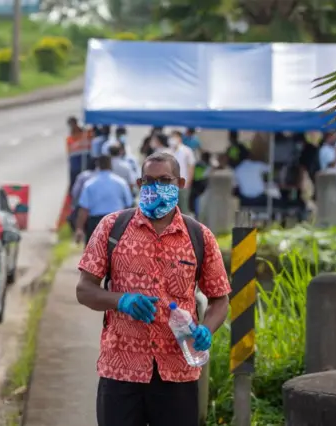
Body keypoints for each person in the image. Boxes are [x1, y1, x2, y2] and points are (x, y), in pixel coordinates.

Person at [76, 152, 230, 426]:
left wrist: (207, 328)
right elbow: (84, 290)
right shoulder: (112, 228)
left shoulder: (200, 236)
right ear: (138, 183)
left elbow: (220, 299)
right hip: (121, 370)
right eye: (148, 181)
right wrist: (120, 300)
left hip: (177, 371)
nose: (155, 187)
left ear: (180, 183)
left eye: (164, 180)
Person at [75, 155, 133, 245]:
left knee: (94, 254)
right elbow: (129, 205)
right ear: (110, 165)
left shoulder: (90, 184)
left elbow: (84, 209)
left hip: (96, 224)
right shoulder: (121, 182)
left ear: (98, 166)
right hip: (116, 223)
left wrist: (79, 228)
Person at [169, 130, 196, 214]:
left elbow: (191, 166)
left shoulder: (187, 151)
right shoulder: (168, 151)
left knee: (184, 208)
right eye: (172, 137)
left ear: (180, 138)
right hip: (170, 185)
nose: (173, 139)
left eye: (175, 137)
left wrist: (189, 181)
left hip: (183, 183)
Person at [66, 116, 91, 193]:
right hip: (75, 162)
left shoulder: (86, 133)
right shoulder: (70, 138)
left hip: (85, 159)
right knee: (75, 182)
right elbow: (70, 152)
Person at [189, 151, 212, 216]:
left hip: (195, 184)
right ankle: (196, 214)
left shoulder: (198, 164)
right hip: (201, 185)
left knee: (195, 200)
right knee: (197, 201)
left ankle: (195, 213)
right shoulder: (208, 166)